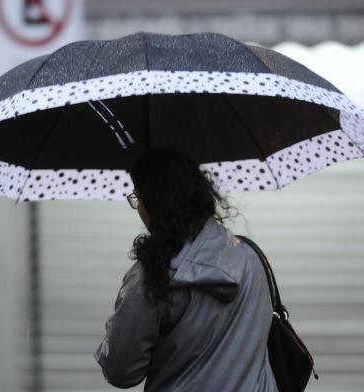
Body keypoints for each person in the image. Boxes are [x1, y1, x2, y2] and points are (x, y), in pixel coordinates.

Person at [94, 147, 278, 392]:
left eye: (138, 198)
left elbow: (121, 371)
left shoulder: (153, 275)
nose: (138, 208)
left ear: (155, 203)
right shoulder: (250, 258)